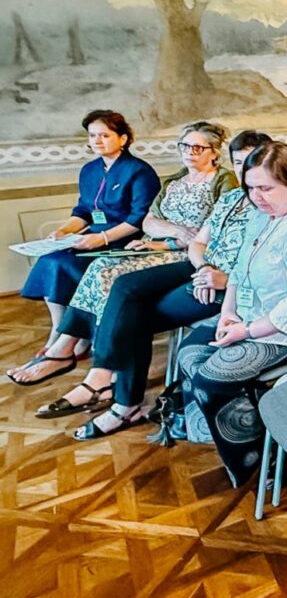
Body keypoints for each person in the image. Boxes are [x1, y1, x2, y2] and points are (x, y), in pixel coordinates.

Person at [68, 131, 273, 440]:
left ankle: (123, 401)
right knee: (125, 285)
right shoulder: (231, 197)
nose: (245, 170)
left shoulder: (271, 202)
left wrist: (225, 279)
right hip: (201, 266)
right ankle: (105, 375)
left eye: (253, 162)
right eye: (239, 162)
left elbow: (268, 263)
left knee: (135, 314)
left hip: (231, 286)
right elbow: (199, 241)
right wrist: (203, 266)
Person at [11, 120, 234, 394]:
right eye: (185, 146)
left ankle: (93, 361)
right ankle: (70, 344)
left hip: (184, 256)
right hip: (154, 245)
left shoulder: (224, 182)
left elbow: (212, 232)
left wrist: (168, 242)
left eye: (198, 148)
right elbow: (149, 221)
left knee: (113, 275)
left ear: (214, 151)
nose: (189, 152)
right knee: (100, 266)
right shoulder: (174, 180)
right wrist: (172, 231)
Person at [177, 141, 287, 487]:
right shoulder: (263, 217)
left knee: (212, 377)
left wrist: (245, 331)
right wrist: (228, 312)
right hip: (257, 318)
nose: (256, 197)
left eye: (266, 188)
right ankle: (239, 432)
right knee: (190, 352)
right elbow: (239, 272)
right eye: (251, 188)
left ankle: (263, 462)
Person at [11, 110, 160, 385]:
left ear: (123, 138)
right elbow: (83, 211)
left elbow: (139, 218)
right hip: (90, 237)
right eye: (93, 136)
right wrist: (65, 231)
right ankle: (60, 331)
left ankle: (75, 337)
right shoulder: (90, 170)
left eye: (105, 135)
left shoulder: (139, 171)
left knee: (67, 264)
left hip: (125, 240)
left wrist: (102, 239)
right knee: (51, 259)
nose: (97, 141)